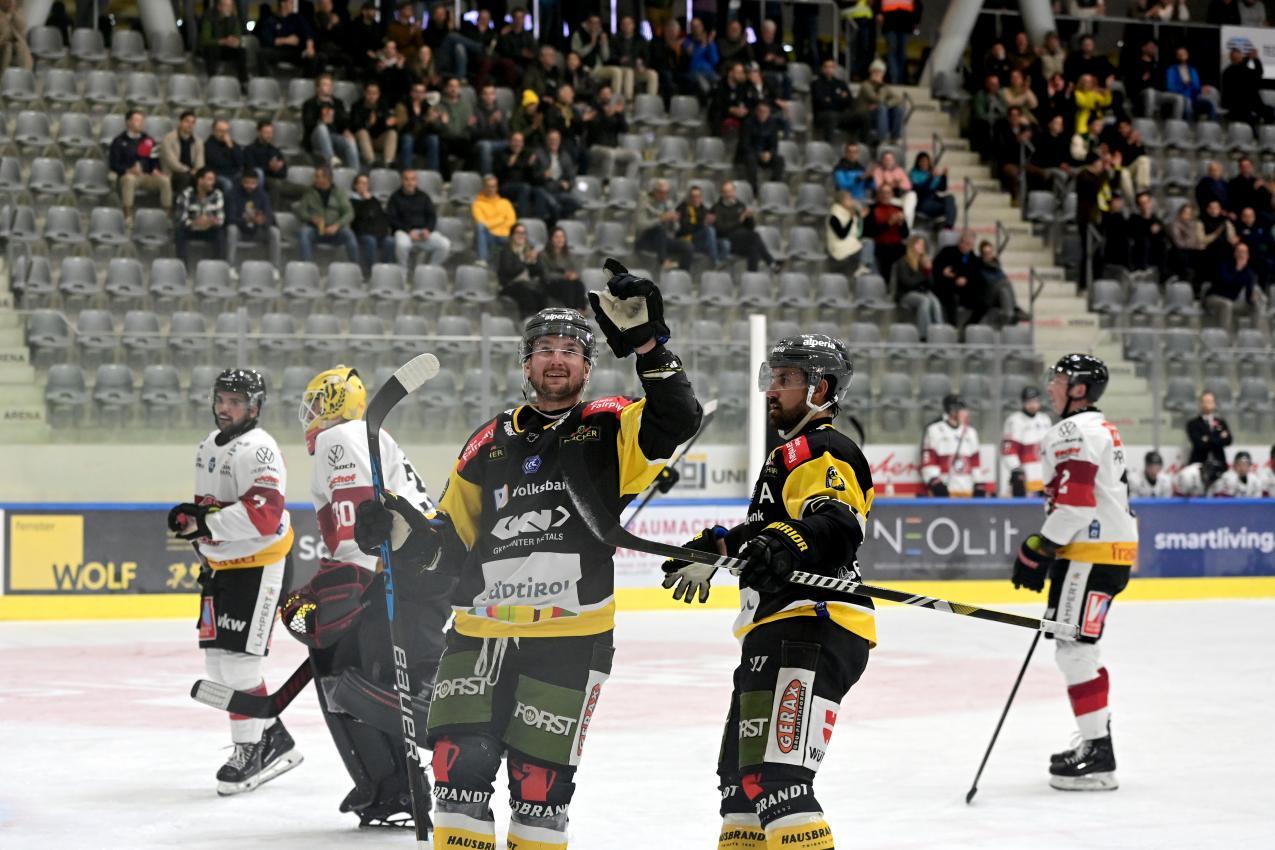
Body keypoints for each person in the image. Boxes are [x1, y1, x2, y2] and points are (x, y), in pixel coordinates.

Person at [351, 278, 702, 850]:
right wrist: (397, 533)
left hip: (572, 634)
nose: (557, 360)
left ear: (588, 366)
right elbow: (447, 546)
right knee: (458, 768)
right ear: (526, 362)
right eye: (545, 349)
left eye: (570, 350)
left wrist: (649, 348)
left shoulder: (611, 424)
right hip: (480, 630)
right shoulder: (487, 441)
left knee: (539, 788)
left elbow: (678, 419)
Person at [660, 333, 873, 850]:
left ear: (820, 389)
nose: (771, 390)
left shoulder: (823, 448)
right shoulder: (786, 455)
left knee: (778, 784)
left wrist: (782, 542)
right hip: (775, 628)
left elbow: (837, 526)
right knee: (740, 791)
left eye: (785, 380)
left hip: (813, 624)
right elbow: (771, 535)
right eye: (771, 378)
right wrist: (719, 546)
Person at [282, 365, 449, 828]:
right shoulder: (361, 437)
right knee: (353, 675)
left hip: (401, 571)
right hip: (417, 567)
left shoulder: (341, 438)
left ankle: (406, 776)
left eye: (316, 404)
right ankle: (391, 787)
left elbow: (361, 530)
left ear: (334, 404)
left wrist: (336, 586)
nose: (310, 415)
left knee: (358, 684)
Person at [166, 368, 301, 796]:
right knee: (219, 667)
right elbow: (214, 509)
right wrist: (196, 522)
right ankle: (272, 736)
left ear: (256, 407)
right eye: (222, 399)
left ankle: (252, 750)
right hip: (223, 568)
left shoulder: (259, 449)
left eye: (236, 402)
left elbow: (264, 516)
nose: (226, 409)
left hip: (259, 566)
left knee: (240, 665)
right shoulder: (209, 445)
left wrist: (204, 523)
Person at [1010, 354, 1136, 791]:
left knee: (1074, 648)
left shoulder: (1071, 430)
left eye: (1059, 380)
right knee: (1079, 646)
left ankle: (1098, 754)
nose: (1051, 387)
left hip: (1087, 554)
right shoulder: (1101, 427)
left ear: (1079, 389)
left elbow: (1076, 504)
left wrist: (1039, 547)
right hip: (1110, 552)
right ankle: (1097, 742)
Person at [110, 109, 173, 224]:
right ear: (128, 122)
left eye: (142, 120)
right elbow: (113, 164)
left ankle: (166, 217)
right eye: (137, 120)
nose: (141, 123)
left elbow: (154, 160)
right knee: (129, 179)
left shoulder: (148, 140)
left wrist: (155, 169)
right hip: (129, 176)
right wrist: (128, 170)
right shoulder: (119, 141)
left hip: (147, 176)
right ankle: (128, 216)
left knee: (165, 180)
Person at [921, 394, 990, 497]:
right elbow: (928, 461)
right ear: (952, 411)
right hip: (945, 493)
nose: (967, 413)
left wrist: (979, 483)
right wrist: (935, 482)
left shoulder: (971, 432)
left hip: (967, 492)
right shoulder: (934, 430)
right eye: (963, 410)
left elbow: (976, 462)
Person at [295, 164, 359, 264]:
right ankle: (307, 267)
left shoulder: (339, 193)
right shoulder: (309, 193)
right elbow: (301, 211)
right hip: (316, 230)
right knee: (305, 233)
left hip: (335, 231)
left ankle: (355, 268)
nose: (314, 179)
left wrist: (337, 225)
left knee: (349, 234)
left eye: (317, 176)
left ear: (326, 179)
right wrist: (311, 218)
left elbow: (349, 213)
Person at [387, 168, 450, 269]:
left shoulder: (424, 196)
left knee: (444, 244)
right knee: (402, 245)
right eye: (406, 179)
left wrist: (427, 230)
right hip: (403, 232)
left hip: (422, 233)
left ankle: (429, 270)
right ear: (402, 181)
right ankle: (402, 273)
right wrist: (408, 231)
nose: (409, 182)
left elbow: (431, 216)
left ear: (416, 181)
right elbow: (392, 219)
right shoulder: (394, 198)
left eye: (412, 179)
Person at [714, 179, 779, 272]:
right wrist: (740, 220)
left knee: (754, 248)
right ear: (722, 194)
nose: (728, 195)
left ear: (734, 192)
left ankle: (751, 277)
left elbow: (750, 227)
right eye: (725, 192)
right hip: (728, 242)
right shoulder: (717, 208)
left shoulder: (740, 205)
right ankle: (771, 262)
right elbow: (721, 230)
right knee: (755, 236)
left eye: (730, 192)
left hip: (743, 240)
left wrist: (749, 218)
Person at [1207, 242, 1269, 334]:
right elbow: (1226, 281)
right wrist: (1239, 268)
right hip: (1214, 297)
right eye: (1240, 252)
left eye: (1244, 253)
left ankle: (1254, 335)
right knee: (1227, 304)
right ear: (1235, 253)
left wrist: (1253, 299)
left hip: (1233, 301)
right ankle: (1223, 337)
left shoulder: (1249, 273)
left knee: (1256, 305)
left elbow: (1248, 294)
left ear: (1248, 256)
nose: (1242, 255)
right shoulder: (1225, 265)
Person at [1001, 386, 1052, 497]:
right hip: (1024, 477)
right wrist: (1016, 469)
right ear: (1023, 402)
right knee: (1023, 511)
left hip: (1043, 476)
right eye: (1029, 401)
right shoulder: (1014, 421)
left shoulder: (1045, 419)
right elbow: (1009, 450)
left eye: (1035, 401)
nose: (1032, 405)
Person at [225, 170, 281, 269]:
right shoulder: (232, 195)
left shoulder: (263, 195)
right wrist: (246, 220)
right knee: (231, 229)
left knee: (274, 232)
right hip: (240, 231)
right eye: (247, 182)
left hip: (257, 231)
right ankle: (230, 266)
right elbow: (230, 218)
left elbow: (269, 216)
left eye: (253, 183)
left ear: (257, 182)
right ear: (242, 181)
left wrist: (262, 221)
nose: (250, 186)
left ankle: (274, 268)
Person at [890, 234, 942, 340]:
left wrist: (928, 271)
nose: (921, 247)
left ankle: (938, 332)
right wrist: (923, 274)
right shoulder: (903, 262)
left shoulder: (923, 262)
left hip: (922, 292)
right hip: (906, 294)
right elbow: (908, 283)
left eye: (922, 245)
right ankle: (924, 335)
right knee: (925, 300)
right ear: (912, 245)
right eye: (919, 244)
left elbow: (931, 285)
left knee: (935, 301)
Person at [303, 74, 360, 169]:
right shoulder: (309, 104)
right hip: (315, 138)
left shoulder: (338, 103)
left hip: (333, 137)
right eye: (325, 84)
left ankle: (355, 172)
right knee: (322, 127)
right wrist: (322, 121)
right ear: (317, 88)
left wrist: (346, 130)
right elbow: (307, 125)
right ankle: (331, 159)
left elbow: (345, 121)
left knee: (351, 141)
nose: (328, 87)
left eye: (330, 85)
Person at [637, 178, 693, 270]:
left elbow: (676, 229)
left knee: (687, 245)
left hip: (663, 240)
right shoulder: (644, 202)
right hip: (646, 239)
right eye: (661, 192)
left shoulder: (668, 203)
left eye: (666, 192)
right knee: (659, 228)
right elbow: (640, 225)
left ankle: (683, 273)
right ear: (655, 191)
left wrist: (675, 221)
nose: (663, 195)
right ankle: (663, 261)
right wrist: (661, 219)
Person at [175, 168, 226, 267]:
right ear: (200, 180)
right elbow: (181, 217)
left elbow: (221, 218)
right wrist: (195, 222)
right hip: (191, 229)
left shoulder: (217, 194)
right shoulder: (186, 194)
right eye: (209, 179)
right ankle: (182, 268)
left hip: (209, 228)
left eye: (213, 180)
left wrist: (209, 221)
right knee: (179, 231)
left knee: (220, 232)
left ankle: (219, 267)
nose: (213, 182)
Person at [495, 222, 548, 317]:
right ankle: (528, 320)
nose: (521, 236)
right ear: (512, 235)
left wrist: (534, 261)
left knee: (541, 293)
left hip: (527, 283)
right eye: (518, 233)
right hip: (510, 284)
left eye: (523, 233)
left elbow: (537, 272)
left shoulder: (529, 250)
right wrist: (525, 261)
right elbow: (509, 271)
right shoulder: (506, 251)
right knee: (525, 292)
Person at [350, 172, 395, 274]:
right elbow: (359, 218)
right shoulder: (352, 201)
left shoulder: (373, 200)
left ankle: (384, 271)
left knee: (390, 241)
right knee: (370, 241)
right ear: (355, 186)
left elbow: (382, 217)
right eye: (361, 183)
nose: (364, 186)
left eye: (366, 183)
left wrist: (370, 200)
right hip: (361, 233)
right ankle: (371, 272)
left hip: (377, 233)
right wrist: (367, 202)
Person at [257, 0, 316, 76]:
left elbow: (308, 34)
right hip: (278, 51)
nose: (293, 5)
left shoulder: (298, 18)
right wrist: (287, 40)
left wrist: (310, 47)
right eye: (290, 2)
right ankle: (266, 83)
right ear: (283, 3)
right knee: (262, 54)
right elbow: (267, 40)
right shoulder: (271, 20)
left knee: (316, 57)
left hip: (295, 52)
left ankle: (307, 83)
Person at [198, 0, 250, 85]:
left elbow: (238, 35)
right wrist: (223, 41)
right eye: (226, 6)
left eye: (230, 6)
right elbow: (205, 40)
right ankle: (213, 81)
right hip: (214, 48)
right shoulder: (209, 17)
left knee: (241, 50)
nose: (229, 8)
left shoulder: (233, 18)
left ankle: (243, 82)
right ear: (219, 6)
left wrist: (235, 41)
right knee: (210, 50)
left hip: (227, 48)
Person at [350, 81, 399, 168]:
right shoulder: (357, 106)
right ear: (365, 93)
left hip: (378, 139)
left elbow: (389, 124)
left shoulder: (383, 105)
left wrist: (390, 122)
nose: (372, 96)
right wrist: (368, 124)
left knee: (392, 133)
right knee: (362, 132)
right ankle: (372, 162)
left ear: (378, 94)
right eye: (369, 93)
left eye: (375, 93)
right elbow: (355, 126)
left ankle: (389, 162)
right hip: (363, 140)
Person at [676, 184, 727, 267]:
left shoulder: (704, 209)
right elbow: (685, 229)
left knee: (725, 243)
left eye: (698, 196)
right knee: (710, 230)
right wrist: (702, 224)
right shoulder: (683, 208)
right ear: (689, 197)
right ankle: (716, 261)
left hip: (704, 242)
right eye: (693, 196)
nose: (696, 199)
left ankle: (718, 268)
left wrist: (714, 222)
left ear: (701, 197)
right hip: (690, 241)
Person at [471, 174, 517, 265]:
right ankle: (482, 260)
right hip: (489, 236)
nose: (491, 189)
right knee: (479, 227)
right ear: (483, 187)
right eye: (488, 186)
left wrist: (492, 224)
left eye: (494, 186)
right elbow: (482, 224)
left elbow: (512, 221)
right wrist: (501, 220)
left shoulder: (505, 202)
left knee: (520, 233)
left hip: (505, 236)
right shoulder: (477, 204)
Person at [856, 59, 905, 144]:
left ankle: (894, 139)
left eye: (880, 72)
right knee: (881, 108)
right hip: (866, 115)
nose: (877, 74)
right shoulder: (865, 85)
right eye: (875, 72)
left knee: (899, 109)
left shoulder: (884, 87)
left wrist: (887, 104)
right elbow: (878, 100)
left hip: (880, 115)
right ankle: (882, 140)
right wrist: (882, 90)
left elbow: (898, 99)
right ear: (870, 73)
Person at [396, 82, 441, 171]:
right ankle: (406, 171)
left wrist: (434, 120)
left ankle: (432, 172)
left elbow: (433, 129)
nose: (419, 95)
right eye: (416, 91)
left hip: (421, 139)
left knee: (433, 139)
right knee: (408, 138)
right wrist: (425, 120)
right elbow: (403, 127)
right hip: (405, 138)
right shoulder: (402, 105)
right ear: (411, 93)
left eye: (422, 92)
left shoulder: (428, 106)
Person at [160, 111, 205, 197]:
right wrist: (188, 170)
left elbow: (200, 161)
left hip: (192, 172)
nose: (190, 125)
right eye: (187, 121)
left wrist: (197, 171)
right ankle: (180, 205)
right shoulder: (168, 139)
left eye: (192, 122)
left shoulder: (198, 141)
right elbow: (171, 162)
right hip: (173, 173)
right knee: (185, 177)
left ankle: (201, 205)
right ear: (180, 122)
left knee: (206, 179)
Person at [541, 226, 587, 310]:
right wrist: (564, 276)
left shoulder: (568, 253)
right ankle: (571, 309)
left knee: (578, 284)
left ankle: (581, 309)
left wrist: (575, 274)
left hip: (567, 282)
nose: (560, 239)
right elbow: (546, 275)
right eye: (557, 237)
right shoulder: (544, 254)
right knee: (568, 284)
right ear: (551, 239)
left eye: (562, 237)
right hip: (551, 283)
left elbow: (577, 268)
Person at [829, 191, 872, 279]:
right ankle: (863, 267)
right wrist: (852, 218)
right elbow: (842, 235)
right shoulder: (834, 217)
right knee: (868, 245)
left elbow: (857, 233)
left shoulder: (848, 214)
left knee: (869, 244)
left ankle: (863, 268)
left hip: (850, 244)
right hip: (839, 248)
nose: (852, 201)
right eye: (849, 199)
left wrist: (860, 218)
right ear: (842, 201)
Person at [1165, 47, 1216, 122]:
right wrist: (1183, 85)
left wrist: (1201, 89)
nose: (1182, 56)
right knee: (1188, 103)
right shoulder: (1171, 70)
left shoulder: (1192, 70)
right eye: (1180, 54)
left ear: (1187, 55)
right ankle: (1189, 128)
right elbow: (1170, 88)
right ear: (1176, 56)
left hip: (1194, 98)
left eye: (1184, 54)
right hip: (1181, 98)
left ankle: (1209, 128)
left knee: (1210, 103)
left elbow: (1196, 87)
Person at [909, 152, 957, 229]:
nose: (925, 163)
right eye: (922, 161)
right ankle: (946, 225)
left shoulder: (930, 173)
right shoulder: (914, 174)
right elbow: (922, 190)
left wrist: (944, 176)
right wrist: (931, 177)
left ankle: (949, 226)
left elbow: (942, 188)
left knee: (950, 198)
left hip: (934, 199)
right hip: (923, 202)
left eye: (926, 161)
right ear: (918, 162)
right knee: (949, 208)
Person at [1186, 390, 1233, 467]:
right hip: (1199, 464)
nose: (1207, 404)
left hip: (1219, 463)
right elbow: (1199, 444)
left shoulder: (1221, 422)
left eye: (1210, 401)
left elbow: (1228, 440)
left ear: (1214, 404)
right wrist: (1219, 437)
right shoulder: (1193, 423)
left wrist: (1207, 439)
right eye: (1205, 401)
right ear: (1201, 404)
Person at [879, 0, 918, 83]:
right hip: (889, 24)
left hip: (905, 24)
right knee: (892, 50)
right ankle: (894, 79)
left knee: (901, 53)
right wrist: (878, 13)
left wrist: (916, 21)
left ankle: (899, 79)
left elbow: (918, 5)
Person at [205, 119, 244, 197]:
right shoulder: (208, 145)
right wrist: (231, 157)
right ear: (213, 131)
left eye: (226, 131)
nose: (224, 134)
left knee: (253, 177)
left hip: (234, 173)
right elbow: (219, 163)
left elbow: (240, 161)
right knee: (227, 183)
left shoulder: (231, 144)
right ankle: (229, 207)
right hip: (218, 175)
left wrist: (230, 147)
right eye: (221, 131)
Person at [0, 0, 33, 71]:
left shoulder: (17, 13)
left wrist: (13, 13)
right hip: (3, 47)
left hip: (17, 47)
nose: (10, 2)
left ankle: (21, 75)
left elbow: (22, 26)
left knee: (20, 47)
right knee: (7, 48)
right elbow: (4, 33)